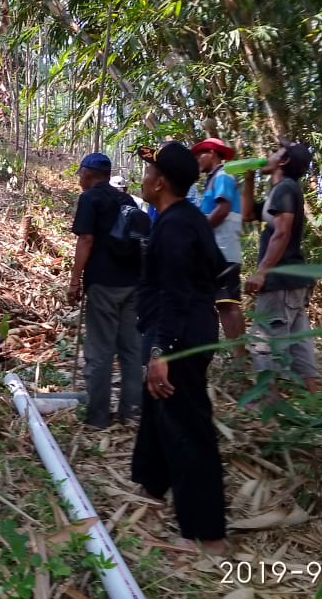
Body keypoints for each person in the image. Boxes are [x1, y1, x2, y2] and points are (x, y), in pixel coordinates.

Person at [131, 141, 227, 554]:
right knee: (157, 408)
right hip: (188, 331)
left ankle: (208, 533)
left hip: (180, 339)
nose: (145, 176)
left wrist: (162, 353)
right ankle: (152, 486)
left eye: (149, 171)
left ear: (161, 183)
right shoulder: (186, 219)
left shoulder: (174, 227)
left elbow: (177, 292)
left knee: (189, 428)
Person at [68, 152, 141, 429]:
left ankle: (97, 417)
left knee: (100, 350)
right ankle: (131, 412)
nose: (79, 178)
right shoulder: (125, 199)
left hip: (104, 284)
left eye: (80, 173)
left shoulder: (90, 198)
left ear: (88, 173)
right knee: (130, 349)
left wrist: (75, 280)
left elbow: (86, 238)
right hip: (132, 283)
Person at [241, 139, 318, 394]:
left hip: (281, 280)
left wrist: (262, 271)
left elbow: (282, 233)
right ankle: (312, 403)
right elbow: (248, 214)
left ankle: (269, 407)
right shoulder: (281, 191)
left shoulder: (285, 189)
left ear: (283, 162)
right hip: (293, 280)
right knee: (299, 344)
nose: (269, 155)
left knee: (265, 342)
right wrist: (249, 179)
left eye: (275, 152)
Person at [191, 138, 247, 363]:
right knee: (223, 305)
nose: (197, 160)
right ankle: (236, 355)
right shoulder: (214, 179)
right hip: (218, 253)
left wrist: (200, 233)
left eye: (200, 155)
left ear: (212, 153)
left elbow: (222, 209)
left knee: (229, 304)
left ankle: (240, 356)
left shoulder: (223, 176)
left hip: (224, 252)